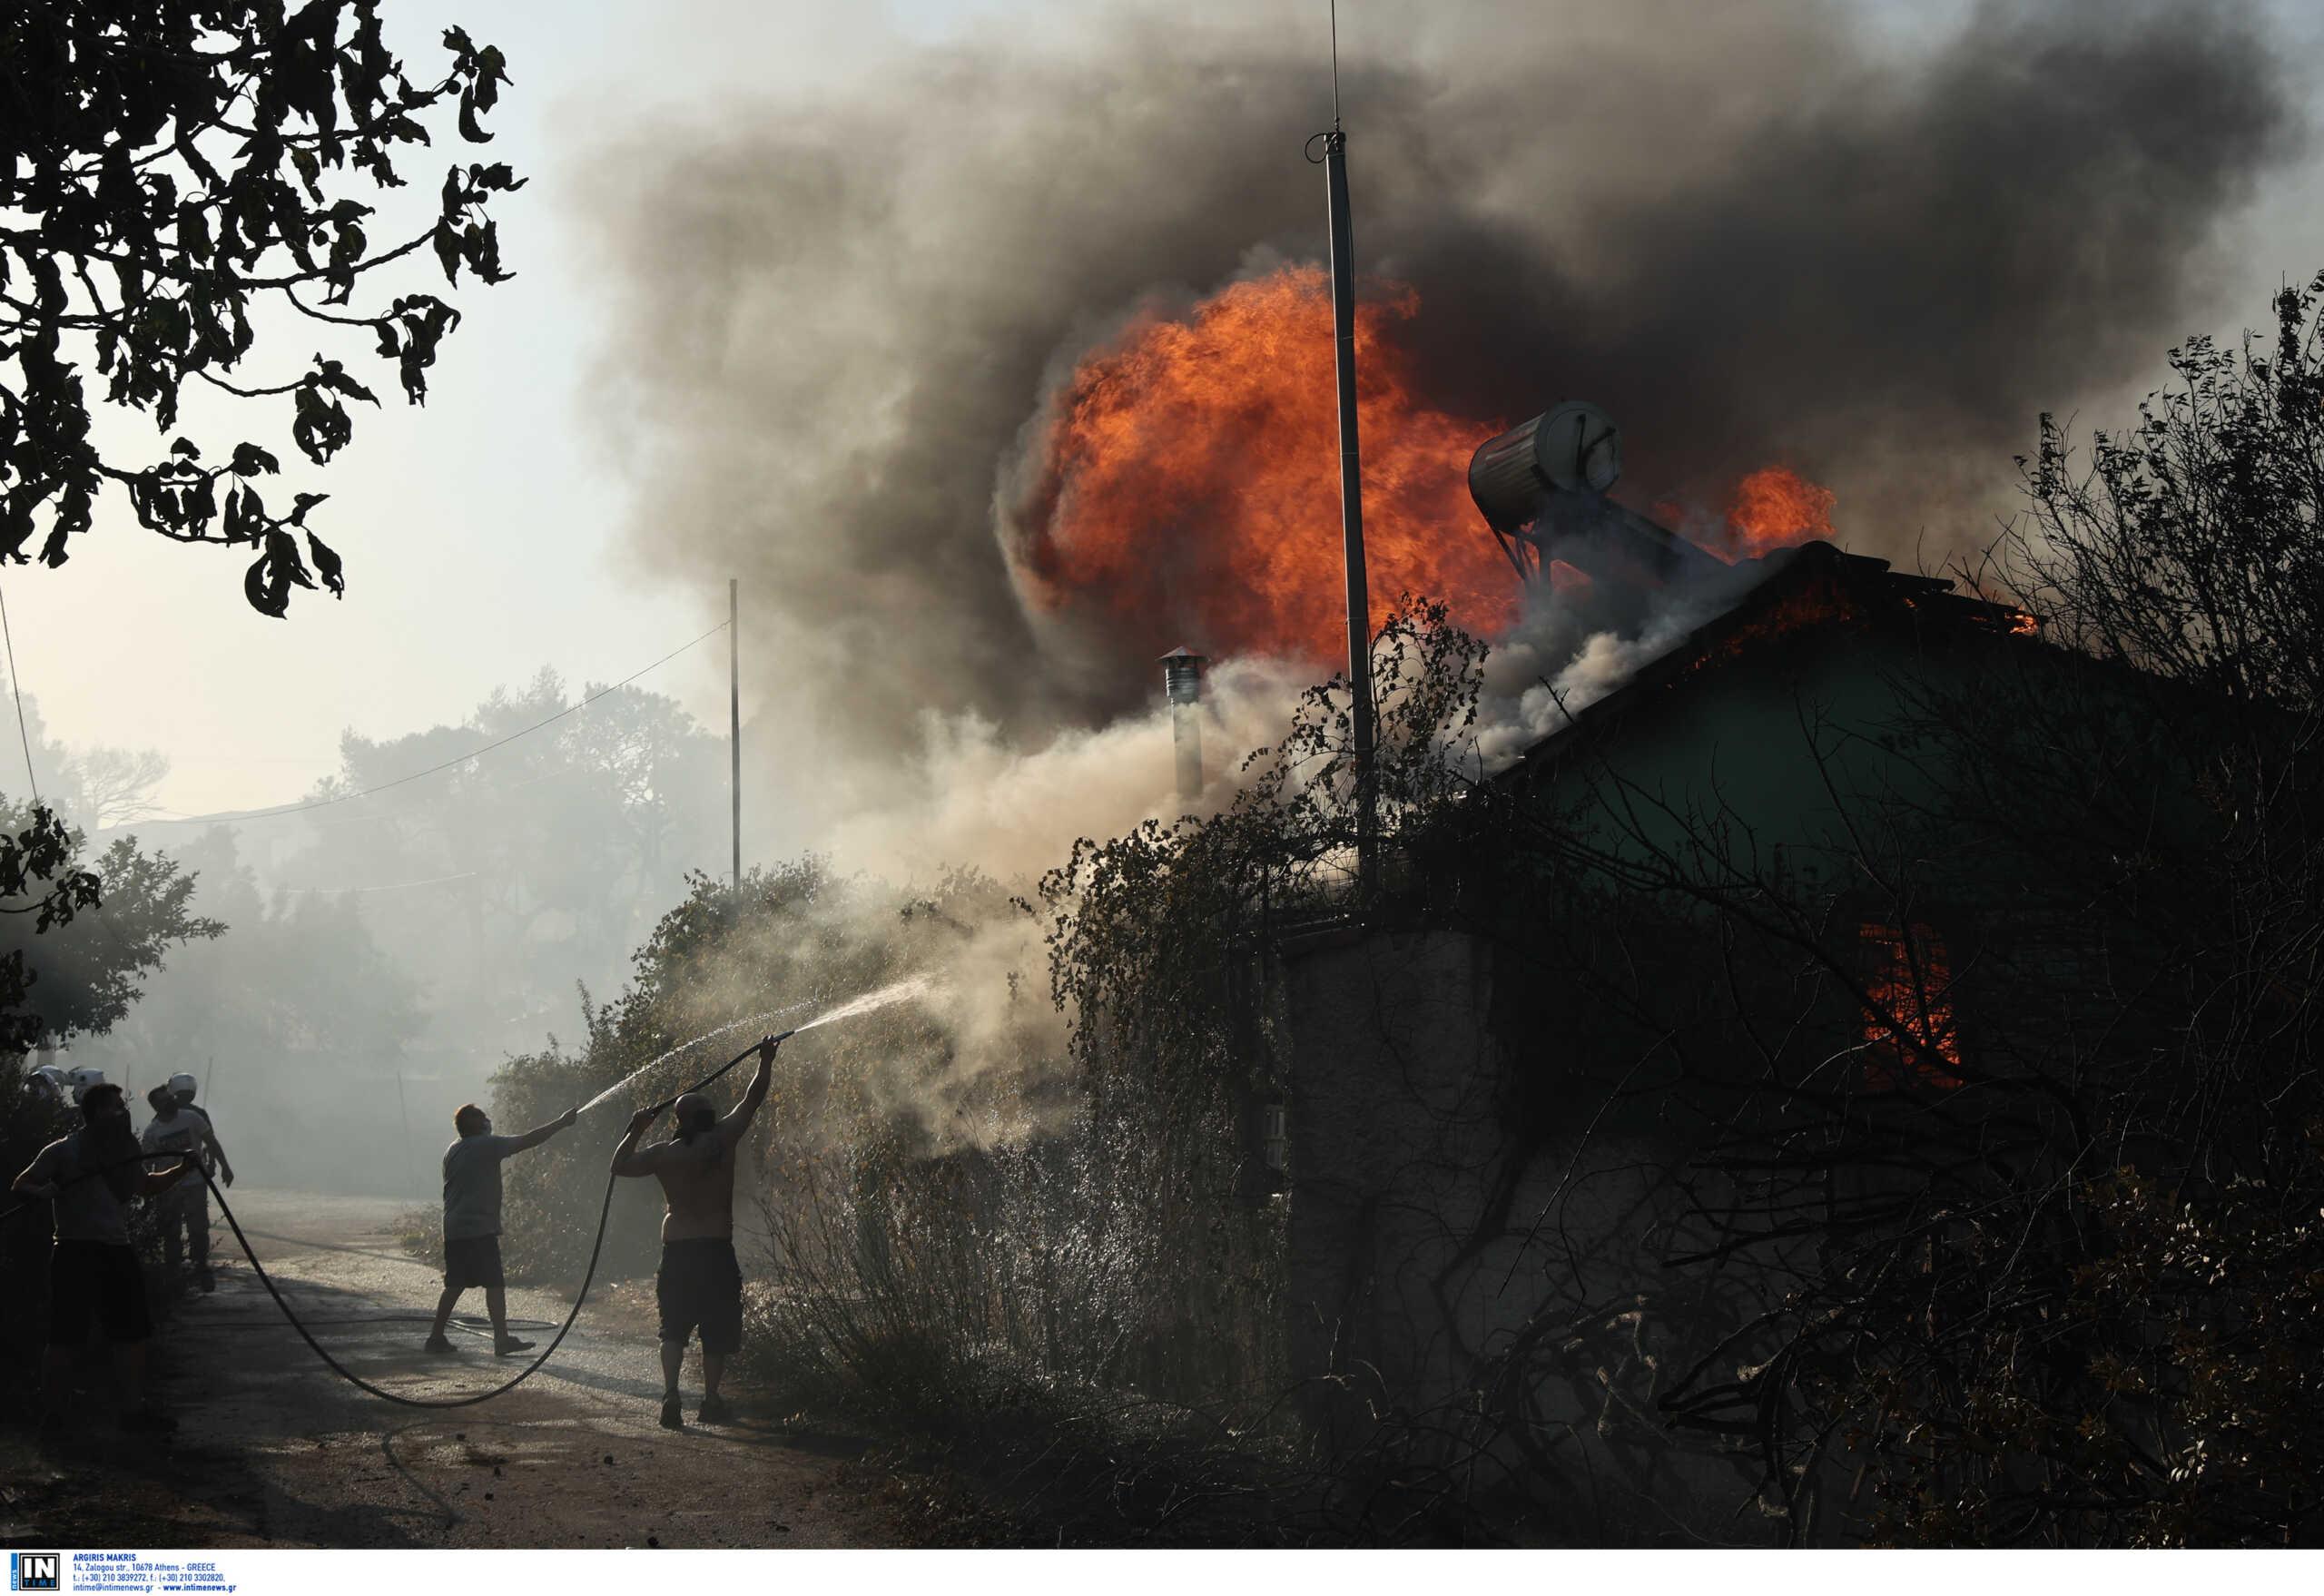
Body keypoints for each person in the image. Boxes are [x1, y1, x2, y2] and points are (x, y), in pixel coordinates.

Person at [611, 1034, 778, 1429]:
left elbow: (619, 1165)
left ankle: (671, 1393)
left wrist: (636, 1129)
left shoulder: (663, 1154)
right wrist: (766, 1061)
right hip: (715, 1251)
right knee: (715, 1330)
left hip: (678, 1252)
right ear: (706, 1115)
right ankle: (711, 1399)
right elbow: (753, 1099)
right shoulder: (722, 1138)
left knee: (674, 1327)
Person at [11, 1082, 194, 1432]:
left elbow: (147, 1187)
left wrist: (183, 1169)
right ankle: (54, 1415)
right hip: (74, 1250)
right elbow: (21, 1184)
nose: (122, 1112)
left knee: (132, 1334)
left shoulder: (124, 1150)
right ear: (97, 1112)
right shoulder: (64, 1151)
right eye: (115, 1107)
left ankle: (132, 1412)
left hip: (116, 1250)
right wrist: (41, 1190)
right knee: (65, 1336)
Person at [426, 1100, 577, 1355]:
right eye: (481, 1117)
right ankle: (501, 1340)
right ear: (473, 1124)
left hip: (454, 1227)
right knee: (494, 1283)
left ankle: (436, 1337)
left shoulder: (454, 1149)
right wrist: (562, 1123)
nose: (487, 1120)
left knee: (455, 1283)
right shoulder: (487, 1145)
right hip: (478, 1228)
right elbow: (530, 1139)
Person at [140, 1083, 233, 1292]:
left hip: (195, 1183)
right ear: (156, 1107)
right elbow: (146, 1165)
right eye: (164, 1101)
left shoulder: (191, 1118)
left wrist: (225, 1167)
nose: (171, 1102)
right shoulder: (152, 1132)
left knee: (198, 1229)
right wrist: (147, 1192)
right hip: (168, 1187)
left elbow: (212, 1142)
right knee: (170, 1232)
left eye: (170, 1098)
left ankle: (201, 1267)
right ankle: (174, 1274)